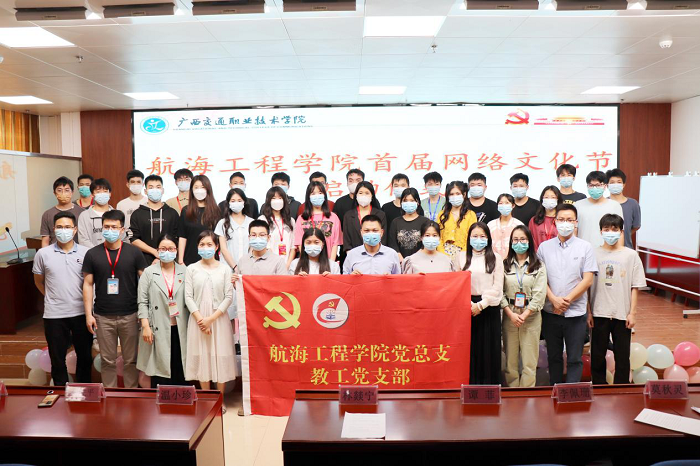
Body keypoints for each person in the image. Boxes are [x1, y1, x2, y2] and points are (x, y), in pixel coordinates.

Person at [82, 210, 147, 388]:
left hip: (130, 314)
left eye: (114, 227)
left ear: (122, 229)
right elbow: (87, 285)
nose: (110, 230)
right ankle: (110, 394)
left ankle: (131, 393)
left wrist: (144, 313)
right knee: (107, 360)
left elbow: (145, 282)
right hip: (103, 316)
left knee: (131, 360)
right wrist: (89, 314)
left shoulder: (134, 252)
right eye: (106, 227)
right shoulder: (92, 254)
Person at [537, 204, 596, 385]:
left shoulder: (586, 247)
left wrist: (566, 301)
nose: (565, 223)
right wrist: (553, 300)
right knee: (554, 356)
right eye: (561, 219)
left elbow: (588, 280)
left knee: (574, 358)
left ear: (576, 222)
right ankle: (554, 390)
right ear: (555, 222)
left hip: (576, 313)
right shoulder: (544, 248)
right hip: (551, 312)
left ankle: (571, 393)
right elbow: (540, 279)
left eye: (569, 220)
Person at [33, 211, 92, 385]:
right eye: (59, 227)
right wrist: (52, 297)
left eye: (67, 227)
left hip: (81, 312)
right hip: (54, 314)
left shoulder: (86, 253)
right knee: (57, 359)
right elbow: (38, 281)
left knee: (85, 357)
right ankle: (60, 392)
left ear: (75, 230)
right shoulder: (43, 254)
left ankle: (84, 390)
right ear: (53, 229)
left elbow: (90, 283)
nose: (63, 230)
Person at [589, 214, 646, 385]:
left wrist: (632, 313)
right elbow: (587, 285)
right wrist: (588, 312)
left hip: (622, 313)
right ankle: (599, 387)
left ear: (621, 231)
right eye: (606, 229)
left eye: (614, 229)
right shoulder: (593, 254)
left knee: (622, 356)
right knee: (597, 355)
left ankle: (621, 388)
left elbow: (635, 286)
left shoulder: (631, 255)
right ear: (601, 231)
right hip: (599, 312)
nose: (610, 232)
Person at [185, 230, 237, 395]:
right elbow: (188, 297)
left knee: (220, 356)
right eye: (202, 244)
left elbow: (228, 297)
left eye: (209, 244)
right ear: (197, 247)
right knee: (202, 358)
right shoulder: (191, 269)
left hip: (218, 319)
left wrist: (211, 319)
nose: (205, 247)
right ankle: (206, 398)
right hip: (198, 319)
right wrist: (201, 320)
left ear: (216, 247)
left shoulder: (225, 269)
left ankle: (219, 400)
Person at [452, 222, 504, 385]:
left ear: (488, 238)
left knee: (489, 350)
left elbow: (497, 287)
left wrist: (480, 305)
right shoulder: (460, 257)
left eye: (482, 236)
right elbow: (456, 284)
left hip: (488, 307)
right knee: (470, 350)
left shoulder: (496, 258)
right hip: (466, 307)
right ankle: (470, 388)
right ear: (469, 238)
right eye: (475, 236)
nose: (478, 239)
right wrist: (469, 304)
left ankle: (490, 388)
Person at [137, 234, 189, 387]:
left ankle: (180, 400)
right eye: (163, 248)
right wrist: (145, 326)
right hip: (157, 327)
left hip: (180, 327)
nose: (167, 252)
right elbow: (142, 301)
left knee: (180, 368)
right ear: (158, 250)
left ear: (176, 250)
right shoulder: (149, 272)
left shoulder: (185, 271)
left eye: (171, 249)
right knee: (160, 372)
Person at [501, 225, 547, 388]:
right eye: (515, 239)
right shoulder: (504, 264)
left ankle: (527, 395)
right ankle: (513, 393)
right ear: (511, 242)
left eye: (523, 239)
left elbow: (539, 294)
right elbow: (499, 292)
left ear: (529, 242)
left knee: (529, 362)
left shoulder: (538, 265)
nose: (519, 243)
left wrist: (525, 314)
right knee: (510, 363)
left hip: (531, 317)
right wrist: (511, 314)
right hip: (510, 315)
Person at [130, 175, 180, 264]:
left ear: (163, 190)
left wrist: (162, 254)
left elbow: (177, 238)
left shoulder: (172, 213)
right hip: (144, 261)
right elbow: (133, 239)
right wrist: (154, 252)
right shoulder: (137, 214)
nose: (155, 190)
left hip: (169, 260)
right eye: (151, 187)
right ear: (145, 191)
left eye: (158, 187)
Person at [178, 175, 220, 266]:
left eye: (202, 187)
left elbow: (220, 238)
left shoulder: (216, 211)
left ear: (208, 189)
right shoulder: (186, 211)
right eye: (196, 187)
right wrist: (181, 261)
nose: (199, 190)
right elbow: (182, 237)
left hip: (212, 261)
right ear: (192, 190)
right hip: (190, 261)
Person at [295, 181, 342, 261]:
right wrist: (306, 262)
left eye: (320, 193)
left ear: (324, 195)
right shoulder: (301, 218)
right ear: (308, 197)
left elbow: (335, 244)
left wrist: (331, 263)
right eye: (313, 194)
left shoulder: (333, 217)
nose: (317, 196)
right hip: (308, 262)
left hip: (328, 261)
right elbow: (299, 243)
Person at [574, 171, 623, 247]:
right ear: (587, 186)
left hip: (607, 249)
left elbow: (620, 232)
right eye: (591, 185)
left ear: (605, 186)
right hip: (583, 249)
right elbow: (574, 230)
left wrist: (619, 251)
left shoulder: (614, 205)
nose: (594, 188)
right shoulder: (578, 205)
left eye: (598, 185)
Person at [215, 188, 254, 271]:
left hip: (247, 268)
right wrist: (235, 267)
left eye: (239, 200)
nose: (236, 203)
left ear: (244, 202)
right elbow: (223, 249)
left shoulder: (251, 222)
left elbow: (252, 247)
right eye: (233, 201)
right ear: (228, 203)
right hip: (227, 268)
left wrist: (246, 265)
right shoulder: (222, 223)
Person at [40, 176, 84, 247]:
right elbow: (45, 240)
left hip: (76, 251)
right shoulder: (47, 214)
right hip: (54, 251)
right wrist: (45, 253)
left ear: (72, 192)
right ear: (55, 193)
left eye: (67, 190)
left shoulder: (82, 212)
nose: (63, 193)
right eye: (59, 190)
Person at [343, 181, 388, 251]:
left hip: (377, 253)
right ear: (356, 195)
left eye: (367, 193)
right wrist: (351, 254)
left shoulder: (380, 214)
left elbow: (383, 239)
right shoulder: (348, 215)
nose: (363, 196)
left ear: (372, 195)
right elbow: (346, 241)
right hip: (354, 254)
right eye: (360, 193)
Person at [259, 186, 296, 268]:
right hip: (269, 266)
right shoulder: (263, 219)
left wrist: (287, 266)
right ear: (268, 201)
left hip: (287, 266)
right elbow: (264, 246)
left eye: (280, 198)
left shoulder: (291, 221)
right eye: (274, 198)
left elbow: (293, 247)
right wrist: (275, 265)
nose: (277, 201)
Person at [388, 188, 429, 260]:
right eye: (405, 200)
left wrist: (415, 260)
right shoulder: (396, 222)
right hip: (399, 261)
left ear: (418, 202)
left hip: (420, 261)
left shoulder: (425, 221)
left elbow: (426, 244)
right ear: (401, 203)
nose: (408, 203)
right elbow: (392, 243)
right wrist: (401, 259)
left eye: (412, 200)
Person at [437, 181, 477, 257]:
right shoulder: (442, 215)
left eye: (458, 194)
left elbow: (472, 237)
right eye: (451, 194)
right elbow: (437, 236)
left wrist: (461, 255)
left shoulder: (471, 215)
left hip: (464, 254)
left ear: (464, 195)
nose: (454, 196)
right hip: (443, 255)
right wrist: (443, 254)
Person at [77, 178, 120, 248]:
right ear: (92, 194)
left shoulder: (118, 215)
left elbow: (123, 237)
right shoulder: (84, 216)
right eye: (98, 192)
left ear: (110, 194)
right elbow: (83, 240)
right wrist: (96, 253)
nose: (102, 194)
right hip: (91, 253)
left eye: (105, 191)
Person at [606, 168, 641, 249]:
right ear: (607, 185)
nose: (615, 185)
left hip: (626, 248)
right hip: (606, 248)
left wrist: (624, 234)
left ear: (623, 185)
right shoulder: (603, 203)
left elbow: (636, 226)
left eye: (619, 182)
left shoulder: (633, 203)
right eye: (612, 182)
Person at [487, 193, 523, 259]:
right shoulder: (490, 225)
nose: (504, 205)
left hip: (513, 261)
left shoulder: (518, 225)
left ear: (513, 205)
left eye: (507, 203)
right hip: (492, 260)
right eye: (501, 203)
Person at [116, 169, 147, 242]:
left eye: (138, 182)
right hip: (127, 243)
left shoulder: (148, 202)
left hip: (146, 243)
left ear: (143, 184)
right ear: (128, 184)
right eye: (133, 182)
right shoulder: (121, 204)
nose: (136, 185)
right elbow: (118, 226)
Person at [528, 186, 563, 252]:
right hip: (539, 255)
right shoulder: (534, 220)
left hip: (559, 255)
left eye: (553, 197)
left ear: (558, 199)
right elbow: (531, 240)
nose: (549, 200)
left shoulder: (562, 220)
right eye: (546, 197)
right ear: (542, 199)